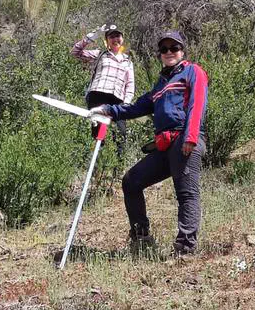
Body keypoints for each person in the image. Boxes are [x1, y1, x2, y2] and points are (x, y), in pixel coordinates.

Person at [89, 31, 208, 256]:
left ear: (182, 51)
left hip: (185, 139)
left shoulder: (193, 72)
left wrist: (191, 138)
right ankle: (141, 238)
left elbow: (197, 104)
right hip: (165, 145)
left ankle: (185, 248)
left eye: (174, 48)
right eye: (164, 49)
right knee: (131, 181)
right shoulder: (161, 85)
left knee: (186, 193)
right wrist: (107, 110)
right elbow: (136, 107)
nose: (169, 52)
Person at [71, 23, 135, 156]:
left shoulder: (128, 61)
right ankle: (95, 165)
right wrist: (94, 35)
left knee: (120, 133)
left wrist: (127, 102)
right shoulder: (100, 54)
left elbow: (130, 84)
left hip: (117, 99)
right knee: (98, 131)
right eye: (111, 37)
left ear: (122, 39)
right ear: (107, 41)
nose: (115, 39)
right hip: (98, 94)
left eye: (117, 36)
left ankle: (117, 168)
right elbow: (75, 52)